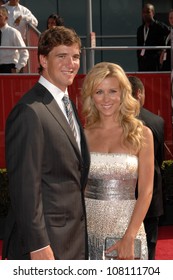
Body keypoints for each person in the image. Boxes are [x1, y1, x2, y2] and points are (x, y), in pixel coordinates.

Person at [2, 26, 90, 260]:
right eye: (61, 56)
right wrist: (38, 244)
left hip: (71, 239)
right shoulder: (30, 111)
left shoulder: (66, 104)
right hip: (47, 244)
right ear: (43, 59)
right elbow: (24, 186)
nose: (70, 63)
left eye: (75, 57)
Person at [81, 62, 154, 260]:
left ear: (123, 93)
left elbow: (146, 191)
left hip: (128, 229)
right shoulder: (83, 136)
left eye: (112, 91)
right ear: (91, 96)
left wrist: (129, 237)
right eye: (99, 92)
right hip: (88, 230)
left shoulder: (142, 134)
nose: (106, 99)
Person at [128, 75, 165, 260]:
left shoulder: (115, 121)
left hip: (124, 197)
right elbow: (159, 160)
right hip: (152, 195)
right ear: (139, 93)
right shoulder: (157, 121)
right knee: (149, 246)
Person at [137, 3, 169, 71]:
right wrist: (139, 58)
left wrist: (164, 50)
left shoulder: (159, 26)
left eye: (148, 12)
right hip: (143, 61)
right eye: (143, 12)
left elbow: (170, 35)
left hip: (155, 62)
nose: (145, 14)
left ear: (153, 13)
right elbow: (138, 47)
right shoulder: (140, 29)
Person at [0, 6, 29, 73]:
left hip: (8, 66)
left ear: (6, 18)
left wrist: (17, 68)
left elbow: (24, 52)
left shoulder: (13, 32)